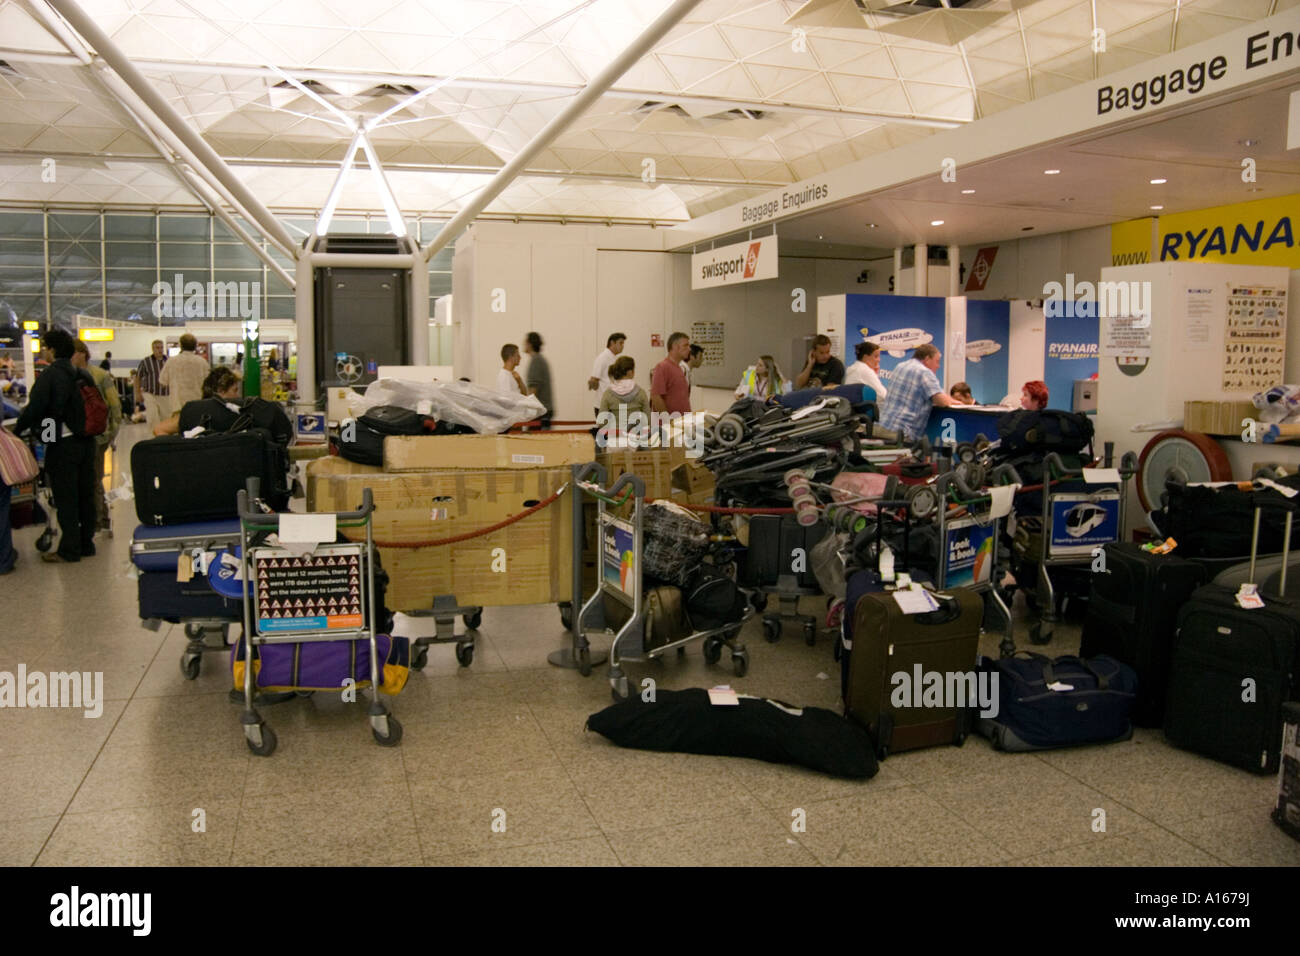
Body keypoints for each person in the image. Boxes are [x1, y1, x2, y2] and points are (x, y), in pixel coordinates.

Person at [14, 329, 98, 563]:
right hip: (86, 442)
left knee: (65, 497)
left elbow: (38, 410)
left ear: (51, 349)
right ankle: (86, 543)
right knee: (85, 495)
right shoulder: (82, 374)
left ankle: (69, 549)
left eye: (45, 347)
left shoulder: (51, 375)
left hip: (63, 445)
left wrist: (18, 430)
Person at [72, 339, 122, 534]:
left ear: (83, 353)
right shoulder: (68, 376)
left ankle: (99, 518)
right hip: (80, 436)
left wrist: (111, 432)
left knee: (94, 478)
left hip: (97, 436)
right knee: (88, 478)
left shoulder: (99, 376)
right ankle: (94, 517)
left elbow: (114, 404)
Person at [878, 343, 958, 442]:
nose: (938, 366)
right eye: (937, 361)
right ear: (927, 359)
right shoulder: (924, 372)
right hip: (903, 434)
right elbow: (942, 401)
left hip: (884, 427)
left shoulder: (900, 366)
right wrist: (957, 402)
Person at [598, 356, 650, 442]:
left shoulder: (608, 394)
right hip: (636, 440)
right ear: (630, 372)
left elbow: (601, 422)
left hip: (615, 440)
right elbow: (648, 420)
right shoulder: (641, 393)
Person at [159, 333, 209, 410]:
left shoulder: (172, 361)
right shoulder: (202, 362)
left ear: (181, 345)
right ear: (195, 346)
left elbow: (162, 382)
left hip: (177, 405)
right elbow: (208, 383)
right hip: (197, 404)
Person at [650, 332, 692, 415]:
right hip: (669, 425)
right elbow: (656, 397)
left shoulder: (679, 368)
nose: (689, 349)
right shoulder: (662, 367)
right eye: (685, 345)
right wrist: (667, 421)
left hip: (681, 422)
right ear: (675, 347)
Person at [134, 339, 169, 430]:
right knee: (153, 416)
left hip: (166, 394)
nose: (160, 350)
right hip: (150, 393)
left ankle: (165, 436)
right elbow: (137, 377)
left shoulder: (168, 361)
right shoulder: (146, 362)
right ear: (152, 349)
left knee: (166, 417)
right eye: (157, 348)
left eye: (161, 347)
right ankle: (154, 437)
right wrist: (137, 393)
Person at [522, 332, 553, 427]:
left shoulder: (536, 361)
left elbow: (533, 389)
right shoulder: (541, 359)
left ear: (529, 344)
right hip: (544, 410)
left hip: (540, 412)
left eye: (525, 342)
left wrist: (527, 409)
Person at [587, 333, 626, 400]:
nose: (623, 346)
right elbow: (593, 380)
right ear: (612, 343)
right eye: (620, 343)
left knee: (623, 409)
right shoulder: (602, 358)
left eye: (623, 344)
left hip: (616, 402)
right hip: (604, 404)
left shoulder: (616, 359)